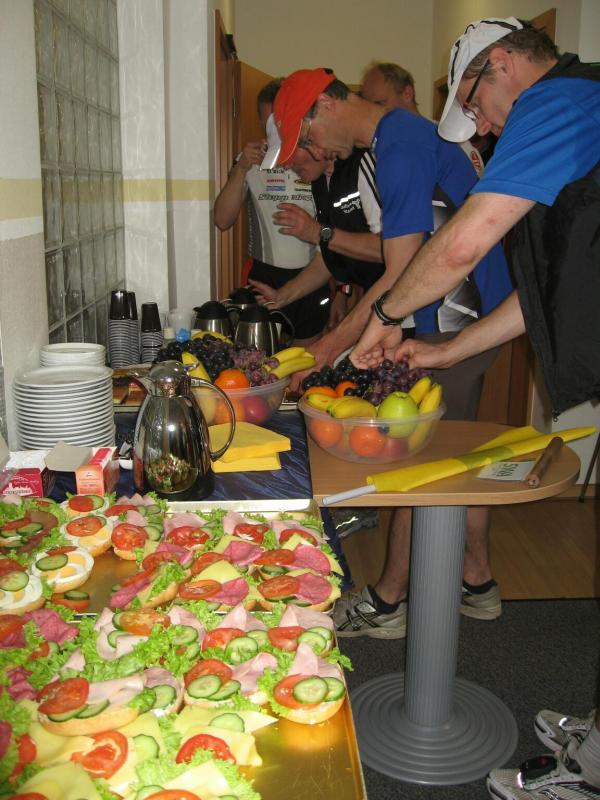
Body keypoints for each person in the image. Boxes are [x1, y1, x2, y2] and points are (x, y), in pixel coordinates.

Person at [350, 17, 600, 800]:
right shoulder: (575, 115)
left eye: (476, 105)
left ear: (503, 65)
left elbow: (461, 245)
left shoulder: (560, 103)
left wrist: (385, 317)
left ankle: (591, 775)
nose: (482, 127)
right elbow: (539, 295)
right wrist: (446, 349)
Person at [272, 67, 513, 638]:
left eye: (307, 137)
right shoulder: (397, 137)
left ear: (325, 106)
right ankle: (477, 582)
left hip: (455, 322)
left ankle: (388, 602)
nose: (314, 152)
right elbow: (405, 261)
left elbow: (400, 271)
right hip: (459, 317)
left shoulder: (399, 144)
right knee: (454, 454)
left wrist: (330, 347)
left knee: (419, 465)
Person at [213, 79, 329, 346]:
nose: (277, 128)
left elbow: (338, 230)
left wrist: (342, 296)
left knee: (305, 361)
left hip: (312, 274)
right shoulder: (250, 159)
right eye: (269, 122)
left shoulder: (318, 155)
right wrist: (241, 168)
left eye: (281, 119)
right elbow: (222, 220)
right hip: (264, 274)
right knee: (259, 357)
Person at [361, 61, 484, 176]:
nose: (372, 114)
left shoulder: (452, 138)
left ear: (407, 94)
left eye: (379, 104)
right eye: (367, 108)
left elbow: (476, 187)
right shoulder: (373, 151)